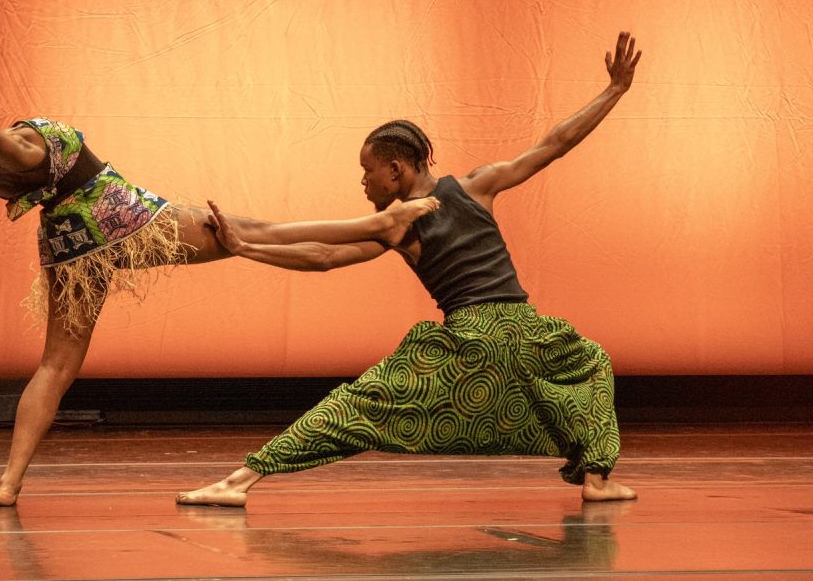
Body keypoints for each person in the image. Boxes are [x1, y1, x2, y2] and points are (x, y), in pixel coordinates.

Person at [0, 104, 438, 506]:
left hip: (70, 242)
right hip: (121, 217)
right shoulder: (11, 143)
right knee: (252, 234)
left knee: (57, 363)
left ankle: (9, 482)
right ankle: (384, 225)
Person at [177, 31, 642, 507]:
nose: (362, 180)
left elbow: (321, 254)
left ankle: (238, 483)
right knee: (592, 364)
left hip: (470, 341)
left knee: (358, 406)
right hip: (526, 333)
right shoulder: (478, 185)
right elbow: (554, 144)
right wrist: (613, 90)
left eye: (367, 171)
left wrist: (246, 245)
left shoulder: (396, 223)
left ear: (395, 169)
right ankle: (597, 479)